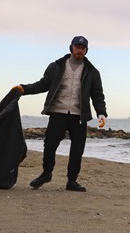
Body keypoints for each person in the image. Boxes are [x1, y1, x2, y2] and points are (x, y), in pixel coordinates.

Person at [13, 36, 107, 192]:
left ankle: (72, 181)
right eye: (77, 47)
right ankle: (46, 173)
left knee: (77, 149)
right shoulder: (56, 66)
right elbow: (43, 84)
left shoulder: (92, 71)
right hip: (58, 112)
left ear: (86, 51)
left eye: (82, 48)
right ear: (71, 48)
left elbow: (97, 95)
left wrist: (101, 113)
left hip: (79, 116)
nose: (79, 50)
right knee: (49, 145)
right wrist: (24, 89)